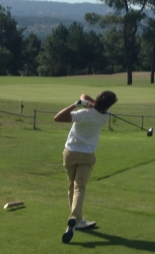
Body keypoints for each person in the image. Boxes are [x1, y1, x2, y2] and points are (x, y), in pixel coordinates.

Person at [54, 91, 117, 244]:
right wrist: (88, 102)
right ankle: (75, 218)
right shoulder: (105, 115)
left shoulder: (82, 114)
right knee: (79, 187)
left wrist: (76, 104)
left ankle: (77, 219)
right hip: (87, 155)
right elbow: (86, 97)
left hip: (70, 153)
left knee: (72, 186)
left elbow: (57, 117)